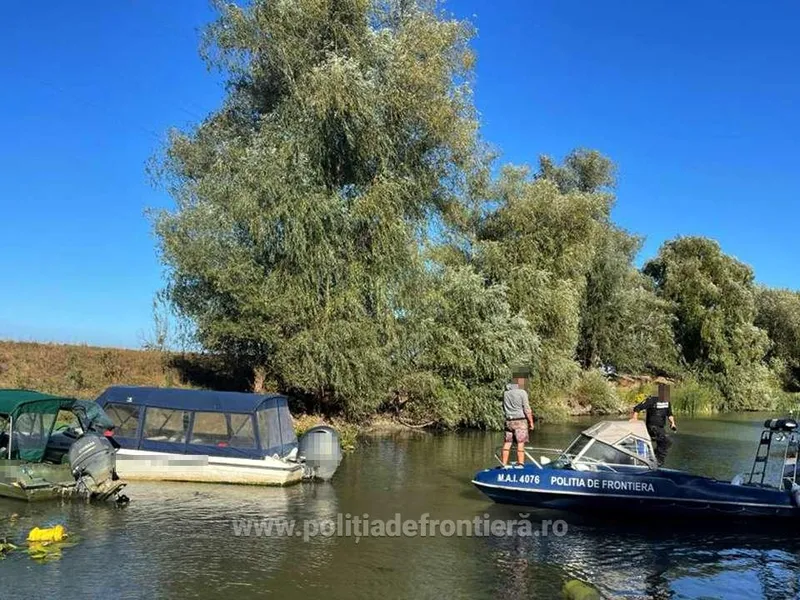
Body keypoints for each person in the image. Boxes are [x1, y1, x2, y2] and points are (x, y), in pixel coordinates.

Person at [631, 379, 677, 467]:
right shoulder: (652, 399)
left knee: (664, 443)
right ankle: (657, 460)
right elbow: (637, 408)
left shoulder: (667, 402)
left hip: (661, 427)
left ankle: (653, 459)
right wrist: (634, 418)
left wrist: (672, 423)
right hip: (652, 426)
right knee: (667, 441)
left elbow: (669, 414)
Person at [501, 374, 535, 466]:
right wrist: (531, 422)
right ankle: (520, 464)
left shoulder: (506, 393)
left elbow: (504, 407)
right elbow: (527, 409)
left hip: (508, 421)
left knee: (507, 443)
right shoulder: (522, 392)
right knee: (520, 443)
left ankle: (504, 464)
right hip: (520, 421)